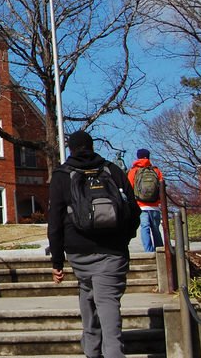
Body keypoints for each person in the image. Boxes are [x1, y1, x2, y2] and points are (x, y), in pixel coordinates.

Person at [48, 131, 140, 358]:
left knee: (89, 293)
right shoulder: (113, 171)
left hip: (79, 252)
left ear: (70, 149)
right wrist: (122, 240)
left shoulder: (61, 175)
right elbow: (134, 211)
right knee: (106, 302)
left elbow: (55, 222)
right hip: (112, 252)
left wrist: (57, 261)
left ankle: (93, 351)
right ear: (91, 146)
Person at [126, 148, 164, 252]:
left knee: (144, 227)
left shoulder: (133, 171)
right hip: (155, 205)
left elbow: (129, 188)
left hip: (140, 205)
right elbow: (162, 187)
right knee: (156, 229)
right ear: (148, 156)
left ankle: (148, 251)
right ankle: (160, 250)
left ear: (138, 157)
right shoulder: (156, 170)